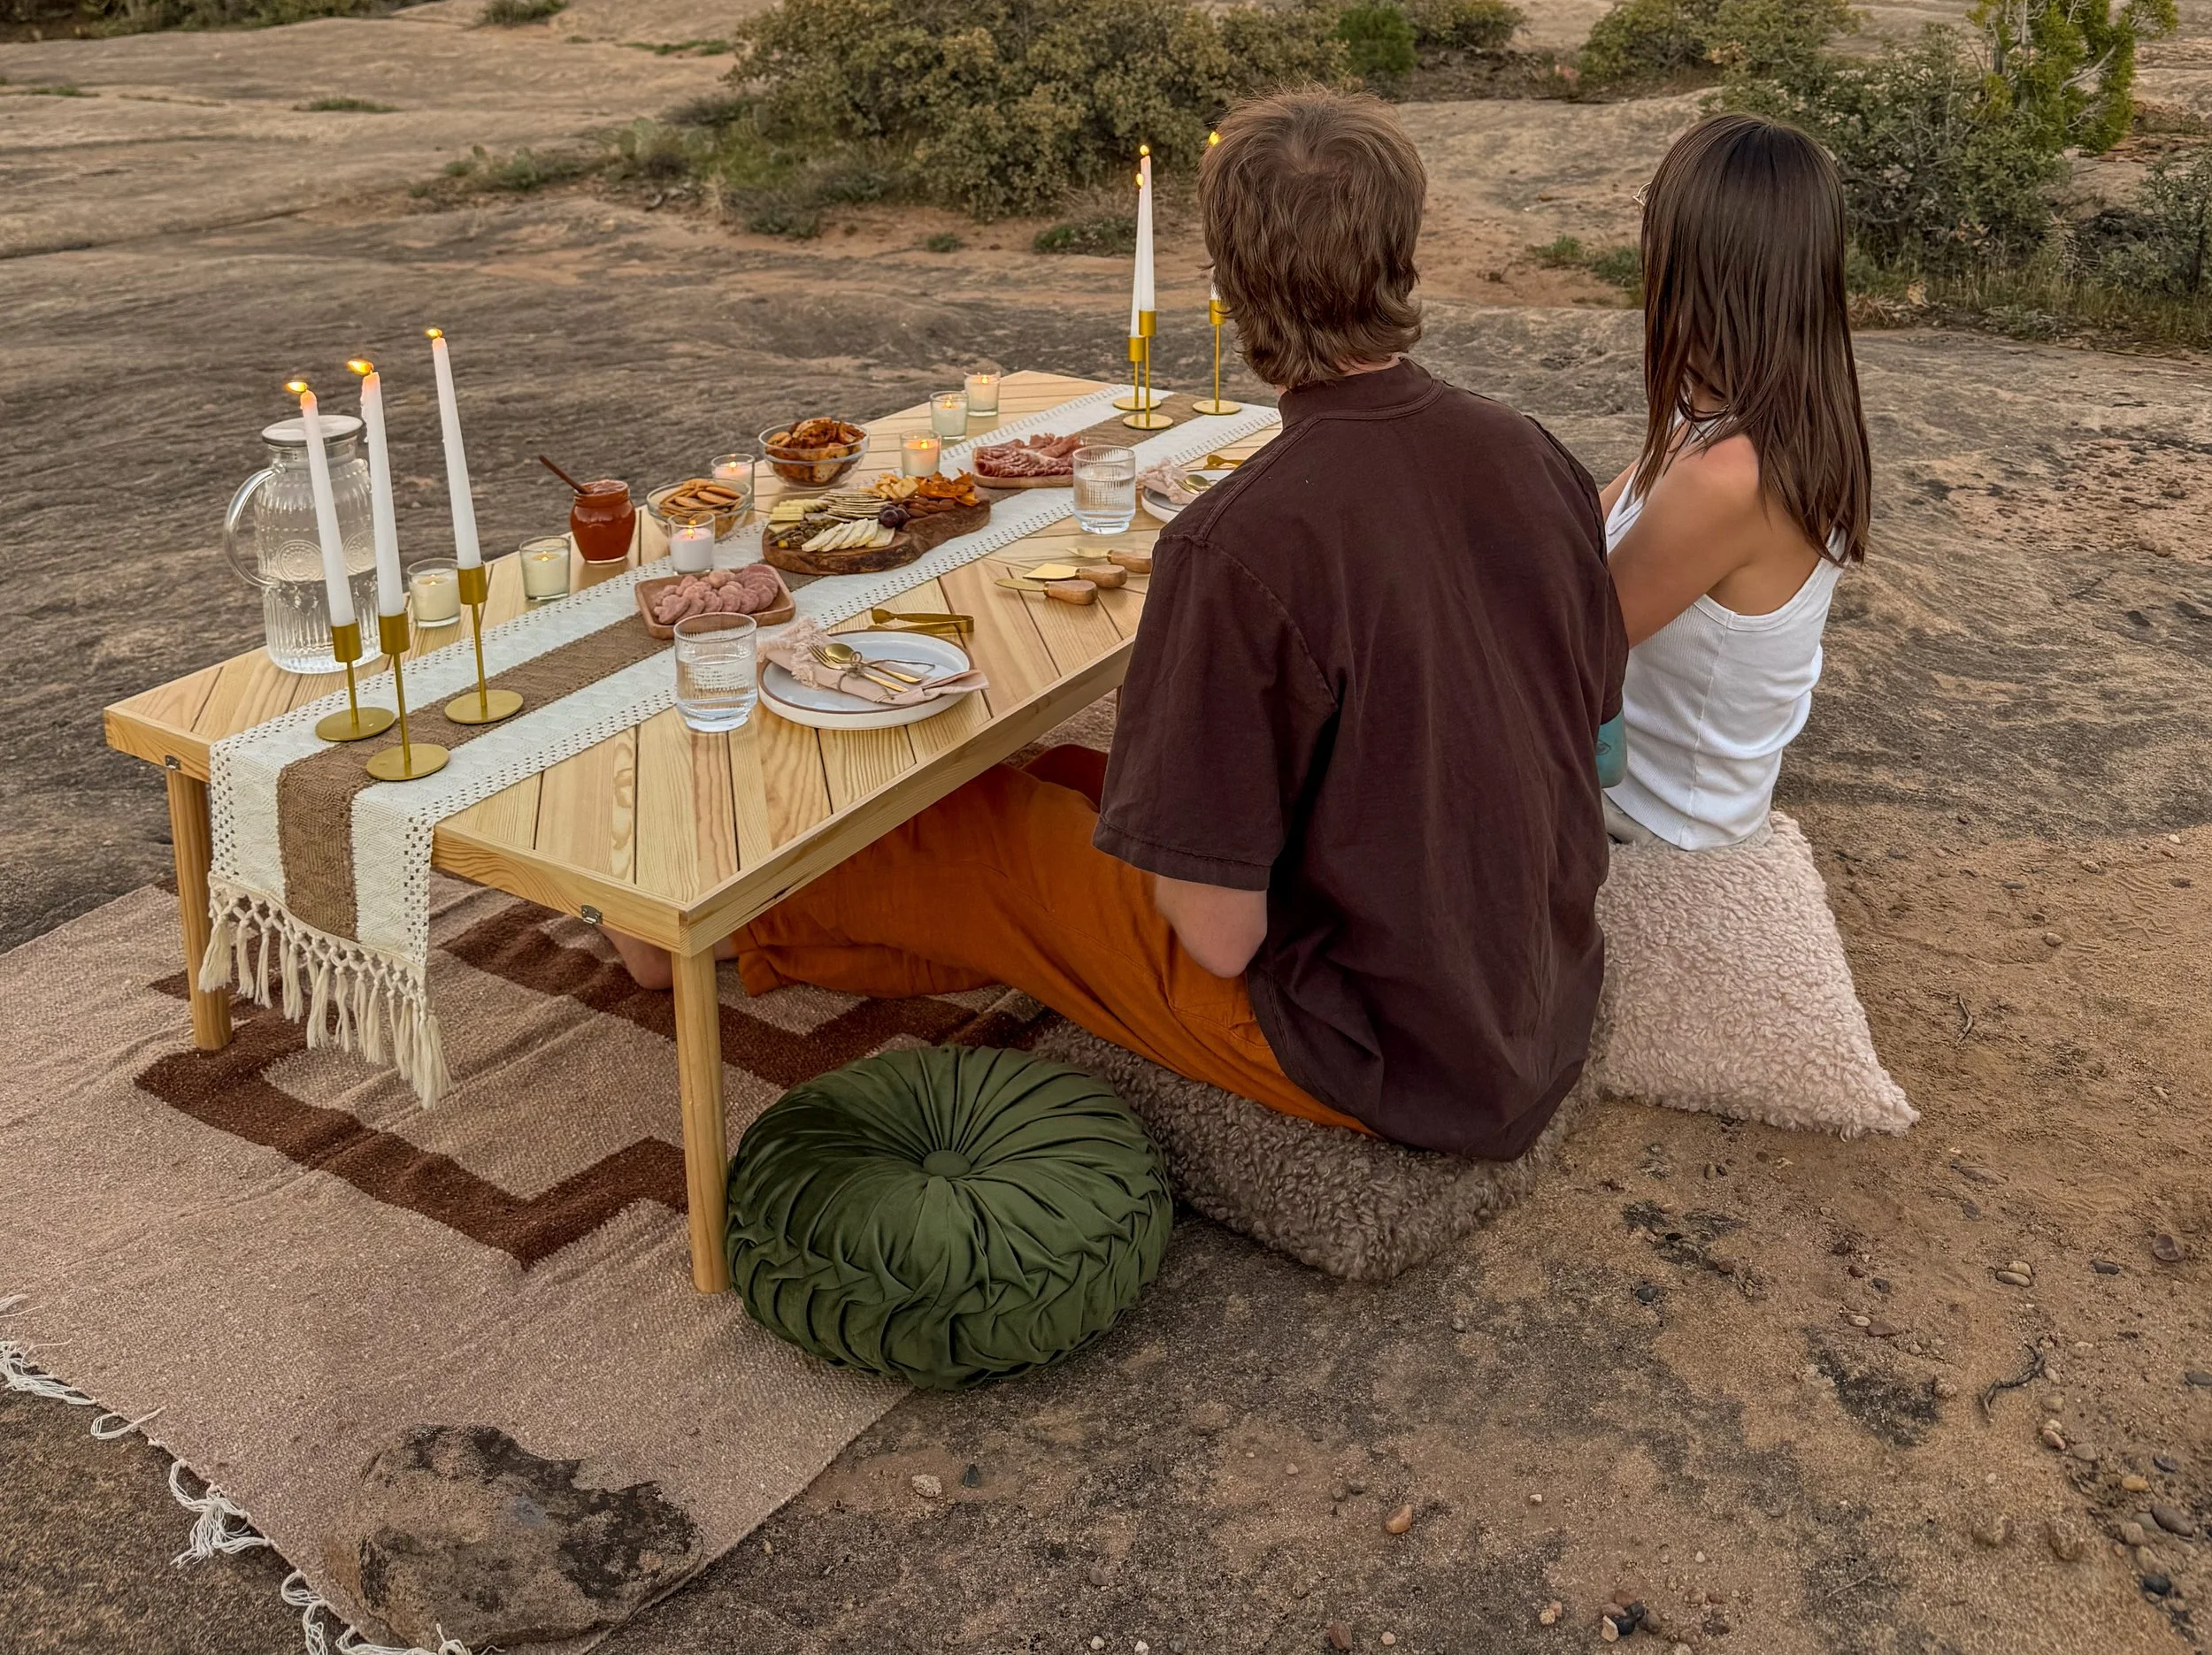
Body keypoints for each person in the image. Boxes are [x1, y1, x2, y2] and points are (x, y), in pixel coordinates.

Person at [649, 90, 1623, 1161]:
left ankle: (709, 936)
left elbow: (1218, 938)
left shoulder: (1239, 543)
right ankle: (803, 934)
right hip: (1529, 981)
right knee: (1067, 776)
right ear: (1405, 250)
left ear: (1228, 282)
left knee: (971, 832)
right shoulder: (1528, 450)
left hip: (1375, 1042)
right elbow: (1579, 727)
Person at [1600, 111, 1871, 852]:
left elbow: (1565, 636)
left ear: (1697, 266)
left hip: (1649, 825)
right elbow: (1578, 523)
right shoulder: (1738, 419)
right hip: (1641, 798)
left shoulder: (1730, 479)